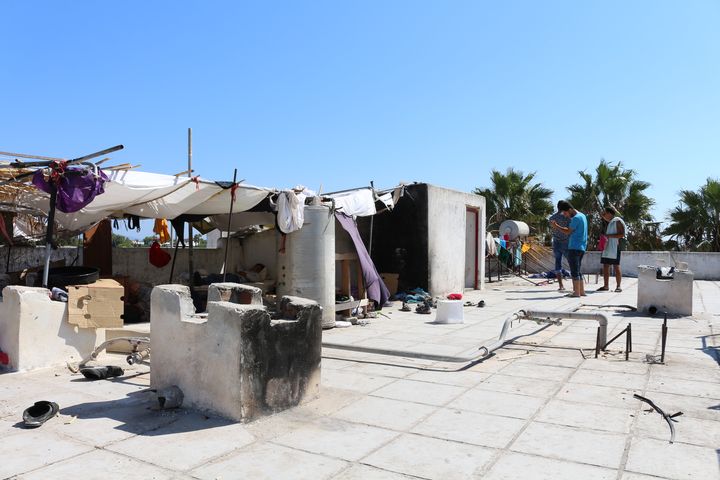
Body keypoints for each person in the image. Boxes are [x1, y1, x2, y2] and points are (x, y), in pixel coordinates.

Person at [551, 200, 587, 297]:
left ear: (570, 209)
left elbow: (567, 231)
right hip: (582, 247)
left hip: (574, 247)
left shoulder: (575, 218)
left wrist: (556, 226)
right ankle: (581, 291)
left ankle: (576, 292)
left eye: (566, 213)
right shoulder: (583, 216)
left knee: (574, 271)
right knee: (578, 270)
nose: (566, 215)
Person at [598, 206, 626, 292]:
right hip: (607, 247)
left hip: (615, 247)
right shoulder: (609, 222)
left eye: (605, 213)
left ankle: (618, 286)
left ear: (610, 213)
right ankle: (606, 286)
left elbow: (622, 235)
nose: (604, 215)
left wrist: (608, 236)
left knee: (616, 266)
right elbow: (602, 216)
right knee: (605, 266)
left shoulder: (617, 221)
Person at [548, 201, 570, 291]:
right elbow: (570, 229)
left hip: (556, 242)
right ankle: (577, 283)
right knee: (572, 262)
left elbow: (552, 230)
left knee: (558, 263)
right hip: (566, 241)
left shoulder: (552, 218)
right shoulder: (567, 217)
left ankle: (561, 285)